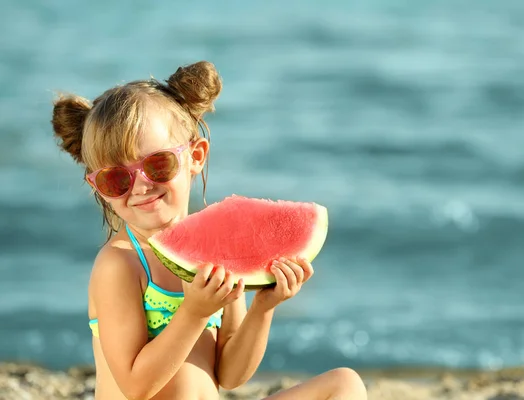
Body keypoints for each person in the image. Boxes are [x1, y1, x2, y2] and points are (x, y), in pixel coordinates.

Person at [51, 61, 367, 400]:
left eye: (158, 165)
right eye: (116, 179)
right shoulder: (119, 265)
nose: (140, 186)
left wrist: (264, 307)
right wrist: (193, 313)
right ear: (98, 187)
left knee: (344, 384)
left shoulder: (217, 249)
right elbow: (135, 386)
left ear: (196, 156)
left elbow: (230, 375)